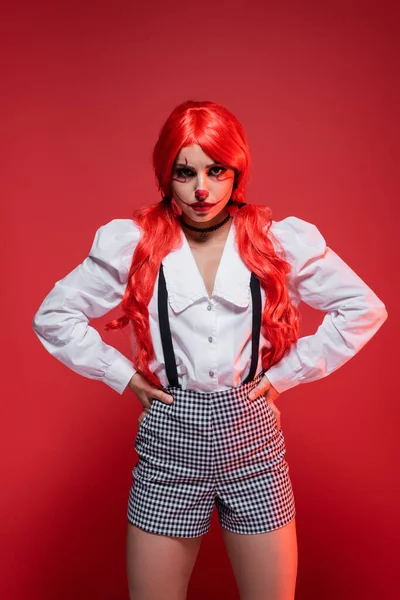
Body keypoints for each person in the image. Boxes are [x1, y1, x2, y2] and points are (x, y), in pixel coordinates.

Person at [32, 100, 388, 600]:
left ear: (236, 171)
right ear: (166, 175)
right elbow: (53, 316)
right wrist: (124, 376)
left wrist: (286, 375)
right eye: (185, 172)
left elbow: (362, 308)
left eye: (216, 170)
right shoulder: (134, 244)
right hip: (169, 443)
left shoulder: (273, 242)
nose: (201, 189)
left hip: (253, 444)